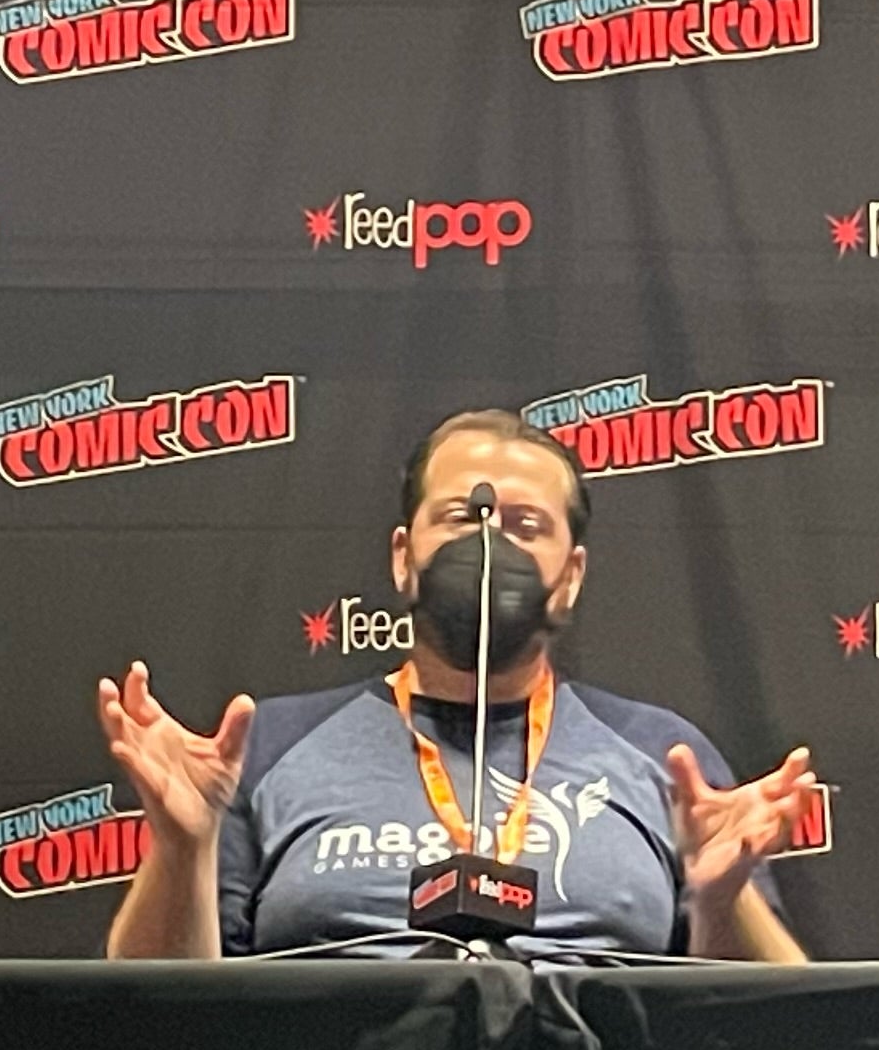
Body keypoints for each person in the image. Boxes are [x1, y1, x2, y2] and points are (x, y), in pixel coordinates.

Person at [97, 408, 814, 958]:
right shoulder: (268, 749)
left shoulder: (663, 756)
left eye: (526, 525)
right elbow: (165, 1020)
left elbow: (766, 1027)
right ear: (403, 559)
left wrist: (722, 902)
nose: (490, 543)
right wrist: (183, 850)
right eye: (461, 518)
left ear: (571, 579)